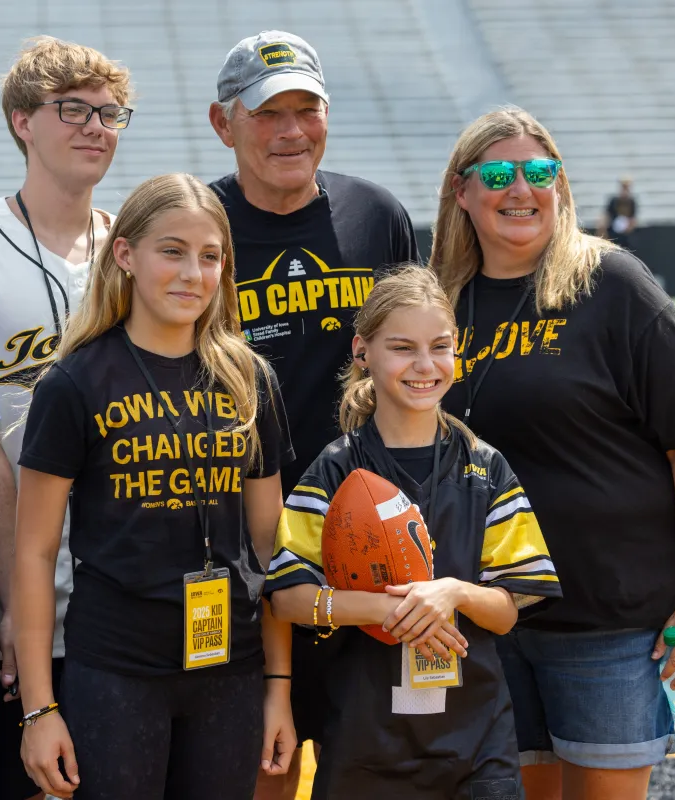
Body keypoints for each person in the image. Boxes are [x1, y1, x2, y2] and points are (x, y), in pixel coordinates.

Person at [432, 107, 675, 800]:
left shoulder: (615, 286)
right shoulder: (443, 302)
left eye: (540, 172)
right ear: (461, 191)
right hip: (490, 617)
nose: (521, 190)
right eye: (499, 174)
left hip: (609, 621)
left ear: (561, 185)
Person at [12, 173, 298, 799]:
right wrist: (39, 709)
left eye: (210, 256)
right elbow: (33, 555)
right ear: (125, 254)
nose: (192, 273)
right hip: (115, 671)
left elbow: (272, 548)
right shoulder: (74, 383)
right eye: (172, 251)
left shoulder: (250, 380)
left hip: (232, 667)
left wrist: (279, 688)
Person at [207, 29, 421, 798]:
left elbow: (419, 361)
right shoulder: (199, 229)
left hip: (369, 535)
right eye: (268, 113)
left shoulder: (376, 214)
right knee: (263, 758)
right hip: (241, 542)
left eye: (308, 108)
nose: (291, 131)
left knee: (374, 760)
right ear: (221, 123)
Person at [0, 36, 132, 800]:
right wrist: (11, 601)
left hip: (116, 590)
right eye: (70, 109)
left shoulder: (134, 250)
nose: (94, 127)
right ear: (21, 122)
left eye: (110, 114)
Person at [266, 266, 562, 799]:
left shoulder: (485, 466)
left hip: (477, 742)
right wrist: (387, 610)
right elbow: (288, 598)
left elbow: (509, 609)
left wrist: (453, 593)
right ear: (363, 352)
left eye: (440, 347)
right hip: (365, 741)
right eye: (402, 348)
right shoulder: (337, 470)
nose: (425, 366)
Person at [598, 177, 637, 251]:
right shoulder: (614, 200)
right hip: (613, 232)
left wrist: (629, 227)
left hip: (625, 235)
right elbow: (607, 215)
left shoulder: (631, 202)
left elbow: (632, 219)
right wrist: (603, 229)